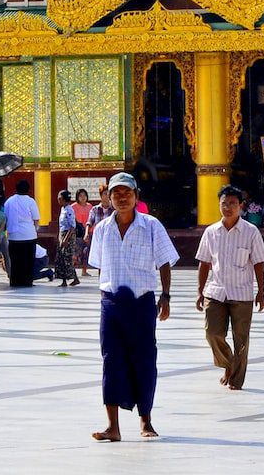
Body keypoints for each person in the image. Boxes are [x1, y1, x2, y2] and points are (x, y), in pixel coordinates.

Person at [87, 172, 179, 442]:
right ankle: (112, 427)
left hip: (141, 302)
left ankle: (146, 420)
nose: (122, 198)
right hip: (111, 302)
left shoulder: (151, 226)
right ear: (109, 197)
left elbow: (164, 261)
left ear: (136, 196)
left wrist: (166, 295)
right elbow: (101, 266)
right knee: (111, 361)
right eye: (116, 193)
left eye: (127, 193)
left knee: (144, 360)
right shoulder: (102, 229)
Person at [195, 185, 264, 391]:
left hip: (242, 293)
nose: (228, 208)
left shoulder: (251, 232)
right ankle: (229, 364)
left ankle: (236, 380)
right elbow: (204, 263)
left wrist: (261, 292)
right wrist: (200, 292)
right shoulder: (211, 232)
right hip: (216, 291)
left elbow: (258, 262)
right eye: (224, 203)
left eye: (233, 204)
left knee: (241, 339)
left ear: (241, 206)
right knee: (213, 333)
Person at [1, 179, 41, 287]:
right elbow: (36, 218)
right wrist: (34, 230)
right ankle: (27, 281)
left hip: (14, 236)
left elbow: (5, 217)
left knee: (15, 260)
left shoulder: (9, 201)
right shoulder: (31, 201)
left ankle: (15, 281)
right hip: (29, 235)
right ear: (28, 189)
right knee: (28, 260)